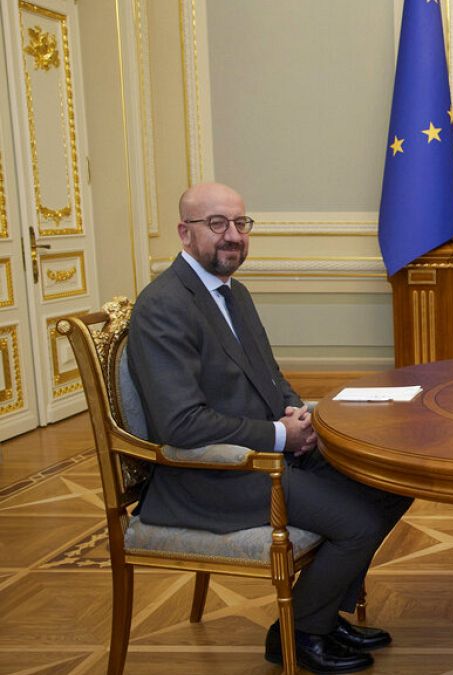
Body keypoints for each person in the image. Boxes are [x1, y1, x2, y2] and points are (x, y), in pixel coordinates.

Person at [127, 183, 412, 674]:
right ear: (184, 232)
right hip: (210, 475)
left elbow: (270, 379)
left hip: (265, 454)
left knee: (394, 481)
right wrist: (282, 436)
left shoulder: (233, 293)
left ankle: (320, 612)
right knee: (357, 522)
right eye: (217, 224)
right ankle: (298, 634)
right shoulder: (164, 305)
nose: (233, 235)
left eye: (241, 223)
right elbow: (181, 424)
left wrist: (301, 417)